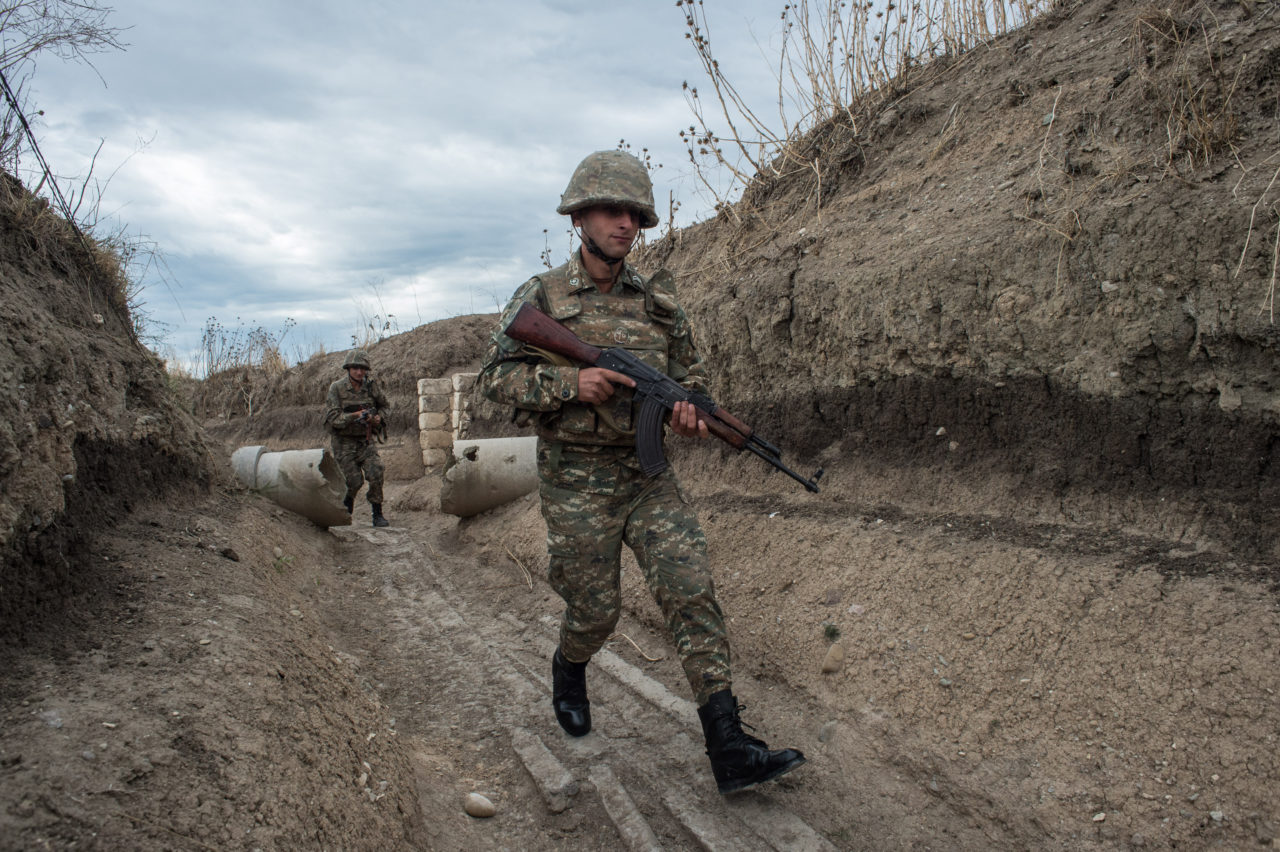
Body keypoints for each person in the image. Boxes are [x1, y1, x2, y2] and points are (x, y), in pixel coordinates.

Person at [478, 150, 805, 794]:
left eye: (633, 212)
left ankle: (729, 745)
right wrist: (572, 382)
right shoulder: (541, 297)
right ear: (580, 217)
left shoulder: (661, 305)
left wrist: (690, 412)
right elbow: (495, 378)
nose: (622, 222)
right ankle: (570, 670)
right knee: (596, 611)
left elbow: (695, 379)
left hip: (647, 478)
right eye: (609, 210)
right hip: (575, 480)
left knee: (691, 591)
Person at [324, 348, 390, 527]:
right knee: (353, 481)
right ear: (348, 369)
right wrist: (355, 415)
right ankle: (346, 509)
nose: (359, 372)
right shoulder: (336, 388)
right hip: (343, 443)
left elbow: (385, 406)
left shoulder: (371, 387)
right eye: (355, 368)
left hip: (365, 440)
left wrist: (378, 418)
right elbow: (333, 419)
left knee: (376, 471)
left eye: (362, 369)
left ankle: (377, 513)